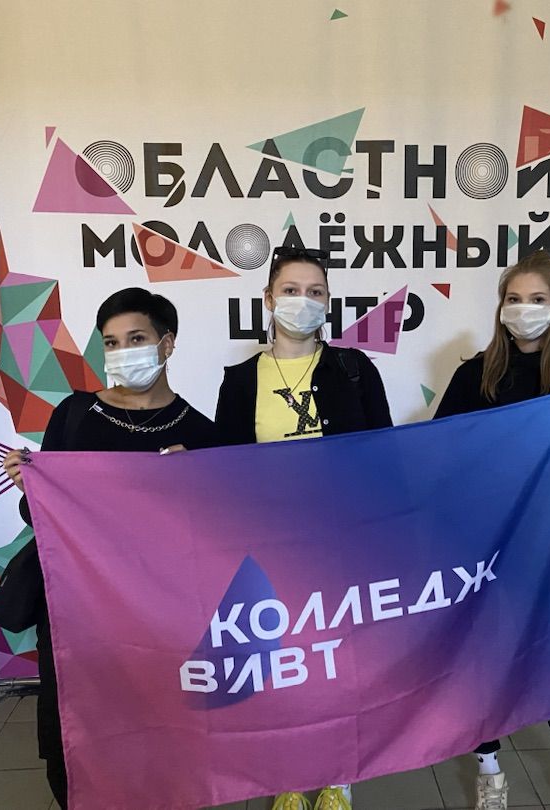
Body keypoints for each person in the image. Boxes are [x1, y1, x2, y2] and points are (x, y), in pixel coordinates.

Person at [0, 288, 218, 808]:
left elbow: (215, 533)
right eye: (111, 342)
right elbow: (41, 518)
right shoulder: (74, 415)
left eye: (136, 338)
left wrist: (198, 482)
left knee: (161, 736)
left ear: (167, 344)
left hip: (162, 618)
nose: (122, 352)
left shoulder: (201, 434)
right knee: (75, 737)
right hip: (76, 613)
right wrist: (32, 488)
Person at [215, 245, 393, 810]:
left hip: (343, 544)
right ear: (268, 299)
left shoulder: (354, 370)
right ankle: (288, 774)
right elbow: (222, 471)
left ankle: (338, 776)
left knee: (340, 662)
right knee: (282, 662)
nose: (303, 301)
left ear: (328, 302)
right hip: (270, 547)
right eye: (291, 290)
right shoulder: (240, 380)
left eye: (315, 292)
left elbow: (385, 458)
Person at [433, 250, 550, 810]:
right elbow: (437, 457)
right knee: (481, 663)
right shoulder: (474, 374)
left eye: (537, 299)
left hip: (544, 550)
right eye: (514, 299)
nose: (524, 308)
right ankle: (489, 770)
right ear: (500, 306)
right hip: (479, 548)